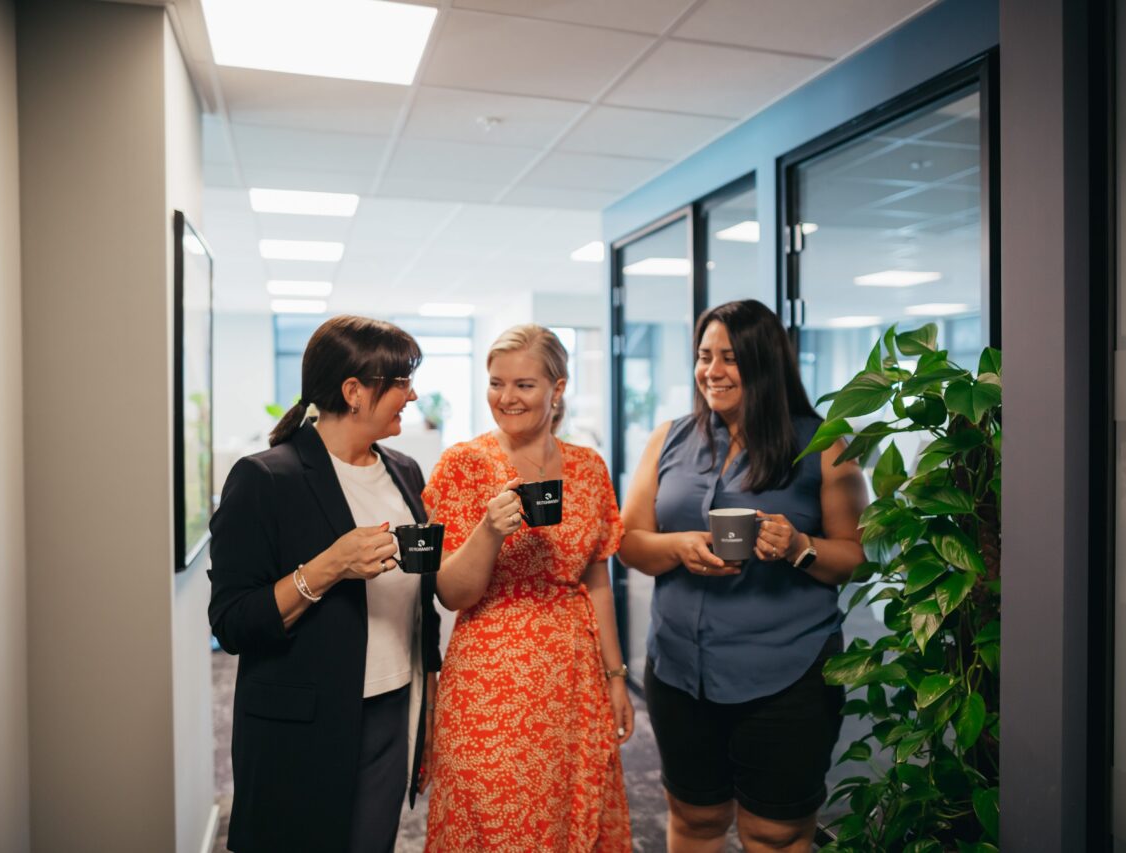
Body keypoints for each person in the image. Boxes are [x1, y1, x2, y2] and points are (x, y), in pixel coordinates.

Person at [618, 299, 867, 853]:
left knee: (774, 833)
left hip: (786, 675)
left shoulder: (823, 445)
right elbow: (630, 542)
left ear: (764, 362)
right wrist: (680, 547)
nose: (712, 371)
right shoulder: (670, 439)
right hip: (681, 670)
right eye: (705, 356)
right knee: (695, 818)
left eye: (730, 358)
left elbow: (855, 556)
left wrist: (800, 547)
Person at [208, 315, 442, 853]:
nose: (412, 394)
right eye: (401, 381)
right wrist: (328, 567)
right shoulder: (266, 479)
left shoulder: (405, 471)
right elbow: (233, 624)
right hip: (301, 727)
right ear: (354, 392)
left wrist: (429, 697)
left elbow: (420, 598)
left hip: (391, 709)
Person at [423, 324, 632, 852]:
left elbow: (597, 581)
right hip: (489, 679)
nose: (506, 398)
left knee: (566, 818)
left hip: (573, 674)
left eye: (524, 385)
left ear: (557, 389)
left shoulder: (588, 468)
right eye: (496, 383)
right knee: (494, 820)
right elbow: (451, 593)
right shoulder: (462, 465)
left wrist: (615, 677)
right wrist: (489, 531)